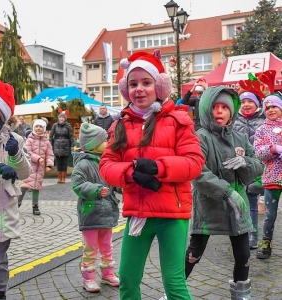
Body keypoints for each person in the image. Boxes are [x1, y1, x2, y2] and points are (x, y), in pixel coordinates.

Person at [99, 49, 205, 300]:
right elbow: (106, 165)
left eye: (146, 82)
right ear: (126, 90)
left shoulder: (178, 120)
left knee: (174, 283)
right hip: (138, 214)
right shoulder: (121, 124)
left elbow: (195, 162)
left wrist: (159, 167)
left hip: (172, 214)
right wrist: (129, 173)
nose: (139, 89)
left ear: (159, 86)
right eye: (133, 83)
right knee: (127, 281)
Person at [184, 86, 264, 300]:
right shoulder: (200, 137)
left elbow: (257, 165)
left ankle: (241, 294)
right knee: (194, 253)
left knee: (243, 254)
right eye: (215, 107)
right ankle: (174, 291)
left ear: (232, 110)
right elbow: (198, 172)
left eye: (224, 107)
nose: (219, 111)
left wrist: (244, 163)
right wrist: (227, 192)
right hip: (208, 207)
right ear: (206, 110)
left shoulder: (240, 138)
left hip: (238, 209)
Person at [0, 80, 32, 300]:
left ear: (2, 113)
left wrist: (16, 156)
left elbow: (24, 173)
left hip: (3, 210)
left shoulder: (16, 139)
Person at [71, 122, 121, 293]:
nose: (108, 143)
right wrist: (96, 190)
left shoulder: (106, 161)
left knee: (107, 246)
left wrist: (119, 185)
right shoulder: (83, 164)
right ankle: (89, 278)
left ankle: (107, 274)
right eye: (104, 140)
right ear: (93, 145)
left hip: (107, 211)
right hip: (91, 212)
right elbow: (77, 185)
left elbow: (113, 180)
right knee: (90, 248)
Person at [234, 91, 265, 249]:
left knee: (252, 201)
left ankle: (253, 235)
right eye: (243, 101)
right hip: (237, 167)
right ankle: (240, 232)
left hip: (255, 166)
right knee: (238, 202)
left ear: (257, 104)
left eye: (250, 101)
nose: (246, 104)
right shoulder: (234, 119)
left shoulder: (263, 119)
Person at [254, 93, 282, 259]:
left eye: (275, 107)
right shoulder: (261, 130)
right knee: (270, 215)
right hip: (272, 178)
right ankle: (266, 243)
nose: (271, 110)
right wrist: (273, 149)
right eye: (268, 107)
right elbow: (258, 153)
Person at [17, 119, 54, 214]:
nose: (38, 128)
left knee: (36, 188)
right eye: (36, 126)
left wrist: (49, 164)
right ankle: (17, 203)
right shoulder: (29, 140)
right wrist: (37, 158)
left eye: (41, 127)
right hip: (29, 167)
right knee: (24, 186)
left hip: (39, 169)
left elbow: (50, 154)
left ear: (44, 129)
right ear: (33, 128)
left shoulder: (47, 142)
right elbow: (27, 152)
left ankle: (35, 205)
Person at [49, 111, 74, 183]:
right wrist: (50, 144)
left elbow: (71, 137)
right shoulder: (55, 125)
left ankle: (63, 177)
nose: (61, 119)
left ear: (65, 119)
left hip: (66, 145)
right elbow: (51, 135)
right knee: (58, 162)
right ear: (58, 118)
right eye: (60, 117)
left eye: (63, 117)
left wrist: (72, 146)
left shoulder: (68, 126)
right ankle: (59, 177)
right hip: (57, 145)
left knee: (64, 162)